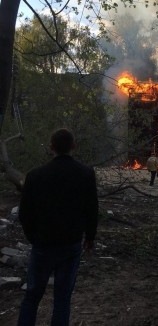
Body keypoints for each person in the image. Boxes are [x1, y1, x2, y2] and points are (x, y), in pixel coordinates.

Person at [17, 128, 98, 326]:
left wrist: (33, 237)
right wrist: (89, 236)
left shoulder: (35, 175)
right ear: (74, 146)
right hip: (70, 245)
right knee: (62, 299)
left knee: (32, 296)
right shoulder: (85, 174)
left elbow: (24, 212)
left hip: (43, 245)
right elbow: (91, 208)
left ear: (51, 147)